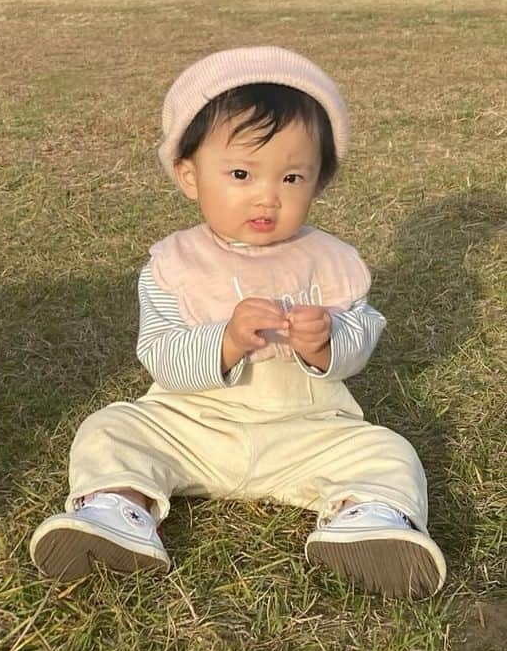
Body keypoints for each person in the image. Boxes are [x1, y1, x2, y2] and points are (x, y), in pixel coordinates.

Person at [29, 46, 446, 599]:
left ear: (319, 181)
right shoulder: (173, 266)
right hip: (193, 426)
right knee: (111, 429)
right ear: (189, 176)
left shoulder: (334, 262)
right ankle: (117, 510)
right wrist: (224, 340)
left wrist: (326, 343)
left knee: (388, 450)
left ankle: (367, 519)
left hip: (306, 430)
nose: (267, 196)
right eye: (242, 172)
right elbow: (160, 354)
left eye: (293, 177)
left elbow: (361, 340)